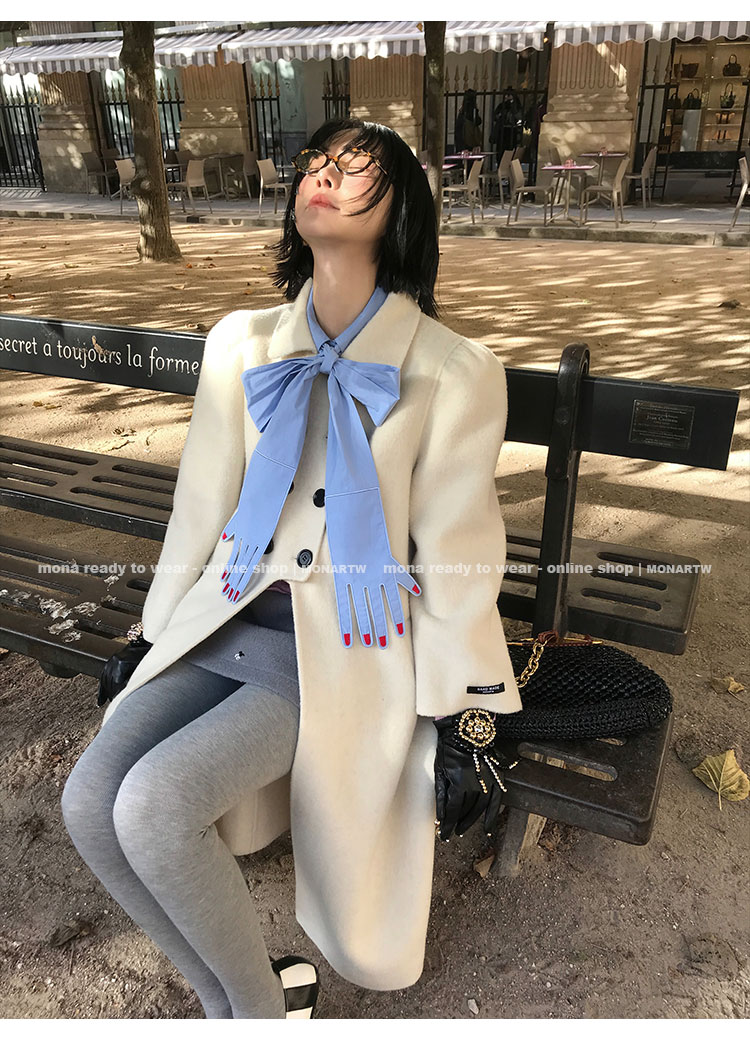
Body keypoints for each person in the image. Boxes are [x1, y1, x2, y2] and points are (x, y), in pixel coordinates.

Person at [60, 116, 523, 1019]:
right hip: (224, 614)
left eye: (356, 168)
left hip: (341, 650)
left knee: (153, 807)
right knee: (89, 803)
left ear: (401, 209)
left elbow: (457, 554)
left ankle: (254, 1017)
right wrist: (154, 632)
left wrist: (471, 712)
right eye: (317, 161)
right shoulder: (242, 341)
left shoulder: (454, 371)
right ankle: (247, 1004)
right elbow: (201, 507)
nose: (324, 174)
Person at [490, 87, 525, 163]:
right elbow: (495, 116)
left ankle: (509, 164)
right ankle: (500, 164)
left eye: (508, 95)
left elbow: (520, 117)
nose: (506, 97)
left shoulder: (517, 105)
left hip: (512, 130)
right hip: (502, 130)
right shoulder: (502, 105)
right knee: (501, 151)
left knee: (511, 151)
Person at [454, 88, 483, 152]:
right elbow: (478, 121)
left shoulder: (462, 111)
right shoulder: (472, 110)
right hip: (471, 140)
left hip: (464, 140)